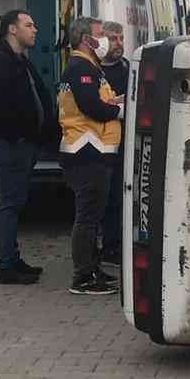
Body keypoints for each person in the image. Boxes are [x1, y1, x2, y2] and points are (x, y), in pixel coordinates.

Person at [0, 10, 56, 285]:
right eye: (29, 25)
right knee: (10, 203)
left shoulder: (20, 60)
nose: (35, 29)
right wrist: (20, 134)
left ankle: (13, 259)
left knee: (16, 201)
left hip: (23, 143)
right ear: (12, 30)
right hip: (9, 143)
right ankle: (6, 266)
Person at [57, 16, 122, 296]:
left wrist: (115, 101)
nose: (105, 40)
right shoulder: (80, 67)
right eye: (100, 35)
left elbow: (98, 100)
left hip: (94, 152)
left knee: (93, 217)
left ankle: (93, 269)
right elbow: (91, 106)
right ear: (87, 39)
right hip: (86, 152)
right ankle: (83, 277)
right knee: (87, 218)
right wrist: (120, 111)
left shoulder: (89, 67)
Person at [98, 20, 130, 267]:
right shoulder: (93, 70)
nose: (118, 43)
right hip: (99, 144)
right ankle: (106, 248)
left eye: (120, 38)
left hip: (123, 144)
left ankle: (115, 245)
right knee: (104, 199)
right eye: (112, 38)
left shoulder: (129, 68)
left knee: (120, 198)